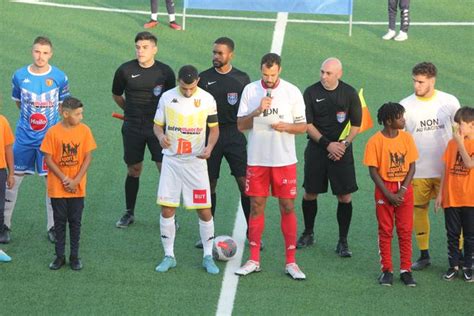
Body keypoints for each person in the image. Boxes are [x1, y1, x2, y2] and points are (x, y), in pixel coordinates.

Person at [234, 53, 307, 280]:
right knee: (256, 206)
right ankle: (254, 259)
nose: (268, 79)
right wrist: (257, 111)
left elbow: (303, 126)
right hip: (257, 160)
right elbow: (240, 126)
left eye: (272, 75)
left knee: (287, 206)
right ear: (260, 70)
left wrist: (286, 127)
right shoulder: (250, 90)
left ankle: (291, 262)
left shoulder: (292, 92)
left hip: (284, 160)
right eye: (265, 74)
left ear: (280, 71)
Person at [153, 65, 220, 275]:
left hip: (195, 162)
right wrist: (160, 136)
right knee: (167, 208)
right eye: (184, 87)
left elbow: (214, 129)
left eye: (191, 87)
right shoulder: (166, 97)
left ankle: (208, 256)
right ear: (178, 82)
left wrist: (209, 147)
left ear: (198, 81)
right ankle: (169, 256)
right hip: (172, 161)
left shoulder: (208, 99)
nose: (188, 92)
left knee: (204, 210)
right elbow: (157, 125)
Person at [3, 36, 70, 244]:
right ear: (32, 52)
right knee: (12, 180)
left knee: (51, 182)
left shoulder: (59, 77)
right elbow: (18, 103)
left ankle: (53, 226)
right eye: (37, 52)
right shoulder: (19, 75)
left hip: (49, 141)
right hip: (23, 139)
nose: (40, 56)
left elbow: (63, 107)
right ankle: (4, 225)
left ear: (51, 54)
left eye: (44, 52)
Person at [297, 58, 362, 258]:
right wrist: (328, 144)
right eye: (322, 72)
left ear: (339, 74)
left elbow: (357, 125)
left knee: (344, 196)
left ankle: (343, 240)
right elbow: (307, 124)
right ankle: (308, 233)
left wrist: (343, 145)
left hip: (342, 151)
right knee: (310, 193)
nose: (324, 76)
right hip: (317, 150)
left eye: (328, 73)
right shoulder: (310, 92)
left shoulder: (350, 93)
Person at [400, 62, 460, 270]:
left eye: (421, 82)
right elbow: (402, 140)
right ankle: (424, 254)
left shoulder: (449, 102)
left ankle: (458, 255)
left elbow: (460, 132)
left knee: (454, 212)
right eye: (415, 81)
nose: (416, 85)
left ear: (432, 81)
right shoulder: (405, 106)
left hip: (447, 171)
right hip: (419, 171)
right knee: (419, 209)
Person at [112, 31, 176, 228]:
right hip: (132, 127)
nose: (141, 51)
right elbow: (117, 95)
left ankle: (170, 215)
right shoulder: (125, 70)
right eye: (138, 47)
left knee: (164, 169)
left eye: (145, 47)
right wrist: (130, 112)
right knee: (134, 169)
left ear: (154, 49)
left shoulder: (165, 72)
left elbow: (172, 99)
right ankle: (129, 212)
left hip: (158, 129)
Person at [195, 37, 251, 248]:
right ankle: (207, 234)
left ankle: (252, 232)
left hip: (235, 135)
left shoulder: (242, 79)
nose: (215, 57)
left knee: (245, 184)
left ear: (230, 55)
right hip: (211, 136)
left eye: (220, 53)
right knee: (209, 184)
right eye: (214, 52)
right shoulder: (204, 78)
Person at [364, 102, 418, 287]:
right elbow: (373, 171)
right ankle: (387, 270)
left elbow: (412, 166)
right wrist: (388, 194)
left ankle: (406, 270)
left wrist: (402, 190)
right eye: (400, 117)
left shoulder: (407, 138)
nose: (404, 119)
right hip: (384, 189)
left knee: (405, 231)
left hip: (405, 189)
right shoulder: (374, 141)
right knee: (385, 231)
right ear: (388, 121)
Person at [40, 97, 97, 270]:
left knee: (75, 222)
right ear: (65, 114)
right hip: (58, 188)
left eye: (81, 113)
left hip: (77, 188)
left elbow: (88, 157)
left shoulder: (85, 131)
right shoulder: (53, 132)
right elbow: (48, 159)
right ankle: (59, 257)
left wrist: (77, 180)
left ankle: (74, 256)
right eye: (78, 114)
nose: (81, 117)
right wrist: (65, 179)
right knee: (59, 223)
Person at [435, 106, 474, 282]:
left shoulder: (457, 142)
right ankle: (454, 265)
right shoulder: (452, 144)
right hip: (452, 197)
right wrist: (440, 194)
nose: (457, 127)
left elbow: (469, 164)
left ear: (472, 125)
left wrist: (459, 143)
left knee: (470, 235)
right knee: (452, 234)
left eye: (461, 124)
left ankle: (468, 266)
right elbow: (446, 168)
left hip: (470, 199)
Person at [0, 114, 15, 247]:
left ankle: (1, 231)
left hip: (0, 170)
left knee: (0, 205)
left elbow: (8, 148)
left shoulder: (3, 121)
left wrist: (11, 174)